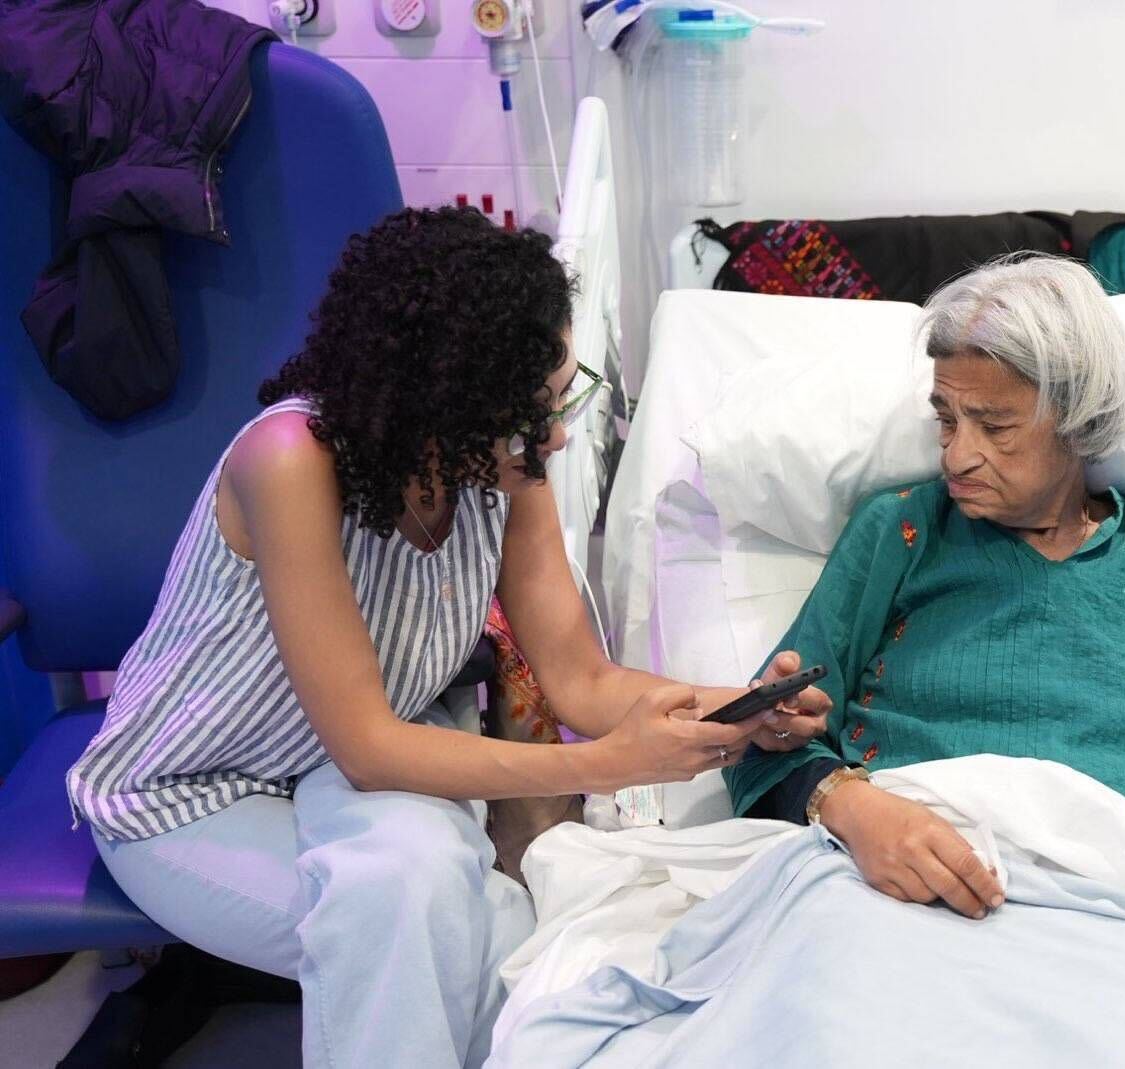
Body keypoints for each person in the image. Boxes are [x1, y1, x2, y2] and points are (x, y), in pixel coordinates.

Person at [66, 207, 829, 1069]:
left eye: (562, 395)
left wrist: (727, 708)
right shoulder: (289, 462)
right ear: (442, 404)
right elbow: (370, 749)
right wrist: (608, 762)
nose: (556, 435)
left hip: (336, 768)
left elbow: (580, 679)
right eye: (528, 416)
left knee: (448, 905)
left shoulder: (502, 471)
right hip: (189, 793)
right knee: (438, 928)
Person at [727, 254, 1125, 921]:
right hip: (903, 892)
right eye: (945, 419)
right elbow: (756, 742)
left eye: (994, 426)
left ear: (1079, 417)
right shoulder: (901, 534)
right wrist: (847, 803)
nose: (957, 455)